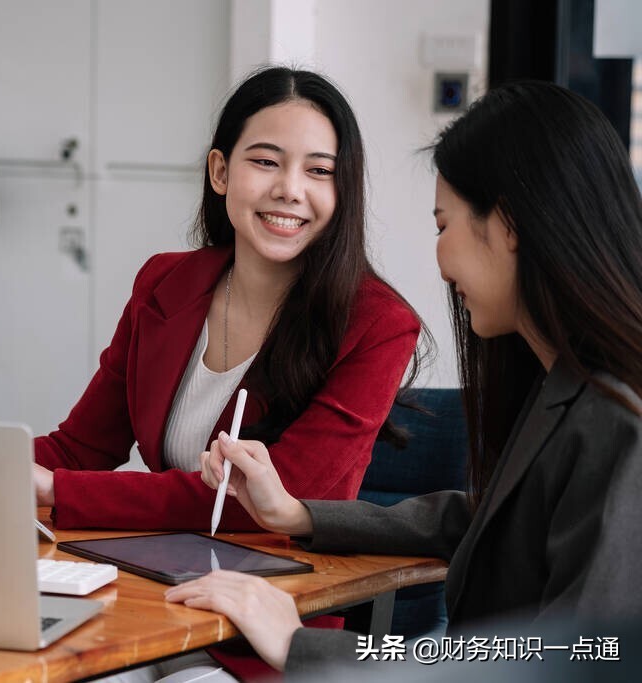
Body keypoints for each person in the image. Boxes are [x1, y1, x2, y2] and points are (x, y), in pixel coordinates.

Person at [166, 80, 642, 675]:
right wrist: (299, 514)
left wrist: (301, 642)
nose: (440, 262)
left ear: (512, 226)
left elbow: (575, 656)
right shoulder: (567, 390)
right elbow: (484, 517)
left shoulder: (616, 421)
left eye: (444, 226)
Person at [32, 66, 423, 533]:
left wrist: (57, 489)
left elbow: (264, 503)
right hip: (156, 567)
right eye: (265, 162)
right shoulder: (164, 282)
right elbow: (79, 449)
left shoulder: (379, 324)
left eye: (319, 171)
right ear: (220, 171)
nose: (289, 190)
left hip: (277, 589)